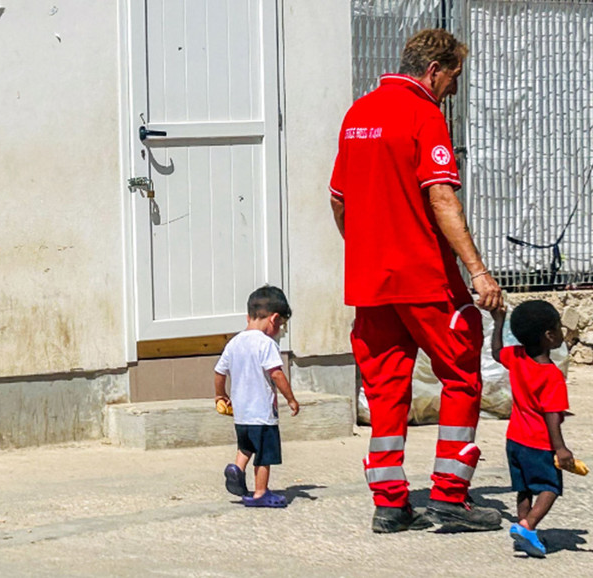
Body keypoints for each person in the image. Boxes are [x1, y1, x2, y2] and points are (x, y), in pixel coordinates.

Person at [329, 28, 504, 533]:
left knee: (385, 389)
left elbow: (339, 199)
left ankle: (389, 503)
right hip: (425, 278)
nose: (453, 89)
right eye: (454, 78)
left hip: (371, 283)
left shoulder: (357, 113)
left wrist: (366, 250)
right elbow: (442, 199)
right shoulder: (423, 114)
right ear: (434, 70)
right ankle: (450, 493)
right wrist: (477, 270)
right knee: (462, 373)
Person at [491, 301, 573, 558]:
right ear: (549, 336)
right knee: (550, 487)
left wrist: (498, 321)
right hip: (539, 443)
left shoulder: (515, 356)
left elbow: (495, 352)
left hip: (515, 439)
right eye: (559, 327)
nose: (562, 332)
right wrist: (560, 448)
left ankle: (522, 531)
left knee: (524, 487)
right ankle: (528, 527)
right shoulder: (552, 375)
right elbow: (552, 415)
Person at [213, 285, 299, 508]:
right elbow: (277, 374)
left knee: (246, 446)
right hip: (262, 414)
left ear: (248, 315)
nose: (279, 330)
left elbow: (219, 371)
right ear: (274, 319)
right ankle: (261, 493)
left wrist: (220, 395)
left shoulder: (234, 343)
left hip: (241, 414)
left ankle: (236, 468)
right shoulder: (266, 344)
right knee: (264, 455)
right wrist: (290, 398)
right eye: (280, 326)